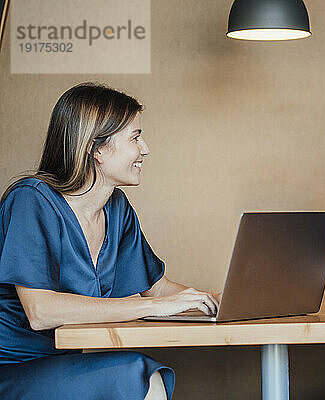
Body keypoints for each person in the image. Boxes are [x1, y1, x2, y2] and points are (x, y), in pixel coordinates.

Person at [0, 83, 220, 400]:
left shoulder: (116, 208)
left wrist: (219, 300)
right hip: (12, 369)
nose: (145, 149)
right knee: (138, 375)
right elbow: (41, 311)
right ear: (96, 149)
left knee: (139, 374)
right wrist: (156, 307)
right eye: (134, 137)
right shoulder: (31, 200)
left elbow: (157, 287)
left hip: (63, 367)